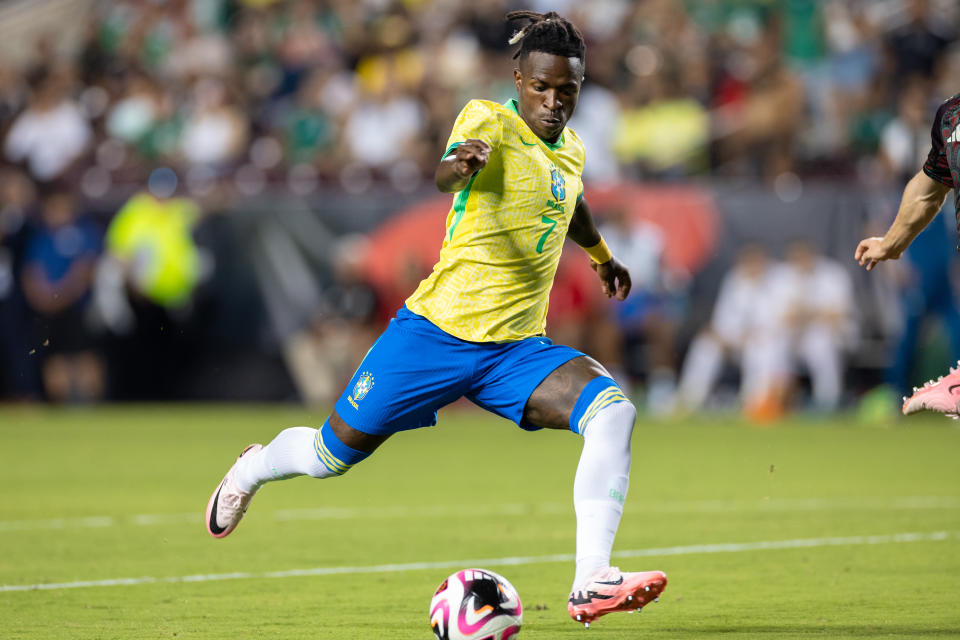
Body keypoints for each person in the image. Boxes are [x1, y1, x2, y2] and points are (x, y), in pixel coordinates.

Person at [205, 11, 666, 628]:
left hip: (516, 351)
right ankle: (252, 467)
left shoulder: (573, 150)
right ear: (518, 78)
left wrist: (603, 258)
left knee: (614, 412)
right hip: (434, 336)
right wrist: (463, 163)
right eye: (541, 88)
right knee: (329, 455)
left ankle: (590, 580)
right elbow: (444, 171)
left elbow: (573, 202)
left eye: (567, 91)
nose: (554, 102)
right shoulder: (489, 120)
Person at [856, 91, 960, 416]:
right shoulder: (950, 117)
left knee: (953, 323)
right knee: (912, 327)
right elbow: (928, 190)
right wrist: (891, 243)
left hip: (941, 253)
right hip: (925, 252)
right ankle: (895, 394)